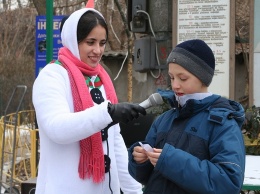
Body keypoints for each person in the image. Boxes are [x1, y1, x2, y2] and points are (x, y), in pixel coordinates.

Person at [32, 7, 146, 194]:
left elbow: (115, 141)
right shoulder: (52, 76)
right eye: (90, 42)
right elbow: (56, 128)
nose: (98, 50)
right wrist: (107, 113)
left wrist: (134, 190)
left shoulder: (102, 78)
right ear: (72, 41)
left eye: (102, 43)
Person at [128, 39, 246, 194]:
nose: (175, 85)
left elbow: (229, 182)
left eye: (182, 78)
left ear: (202, 77)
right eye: (171, 77)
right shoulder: (164, 120)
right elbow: (146, 177)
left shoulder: (223, 123)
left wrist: (170, 161)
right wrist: (139, 161)